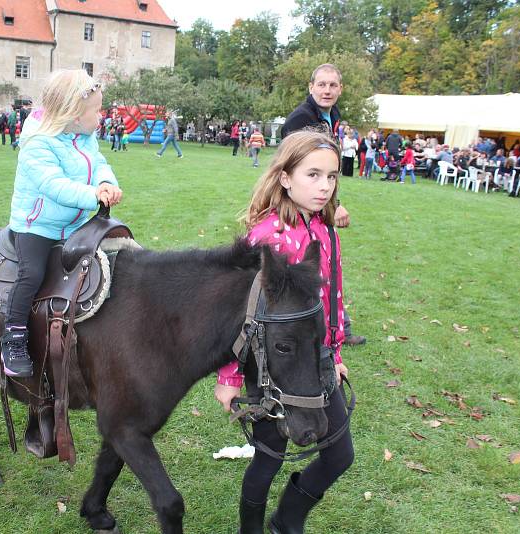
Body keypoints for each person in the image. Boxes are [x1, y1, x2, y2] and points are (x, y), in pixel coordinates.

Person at [214, 131, 353, 534]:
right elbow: (234, 313)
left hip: (317, 362)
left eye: (331, 176)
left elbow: (333, 298)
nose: (324, 186)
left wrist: (336, 354)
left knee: (339, 454)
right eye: (313, 174)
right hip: (270, 368)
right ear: (286, 178)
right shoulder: (266, 237)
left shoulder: (325, 231)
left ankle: (287, 520)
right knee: (268, 459)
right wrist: (230, 377)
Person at [1, 69, 123, 377]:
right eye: (97, 110)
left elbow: (98, 164)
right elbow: (54, 186)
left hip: (76, 224)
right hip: (37, 226)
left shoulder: (85, 136)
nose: (102, 115)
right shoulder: (38, 143)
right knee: (32, 273)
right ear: (74, 115)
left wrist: (106, 182)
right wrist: (93, 194)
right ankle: (13, 336)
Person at [279, 63, 362, 345]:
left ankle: (338, 327)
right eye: (322, 84)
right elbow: (299, 168)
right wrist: (333, 205)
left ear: (340, 88)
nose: (327, 90)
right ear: (311, 87)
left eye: (333, 85)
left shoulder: (331, 116)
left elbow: (326, 168)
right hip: (298, 204)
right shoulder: (300, 120)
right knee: (305, 261)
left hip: (319, 200)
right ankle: (302, 327)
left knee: (327, 259)